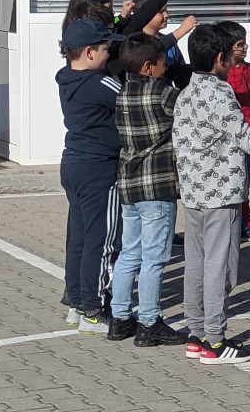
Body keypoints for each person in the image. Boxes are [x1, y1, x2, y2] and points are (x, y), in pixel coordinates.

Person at [176, 25, 250, 364]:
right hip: (221, 195)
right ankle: (214, 339)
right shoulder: (219, 93)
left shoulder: (186, 93)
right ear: (220, 58)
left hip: (194, 193)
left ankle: (196, 333)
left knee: (197, 264)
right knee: (221, 267)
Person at [106, 33, 186, 348]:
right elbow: (189, 111)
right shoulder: (163, 93)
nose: (167, 68)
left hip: (129, 183)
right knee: (155, 257)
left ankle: (120, 317)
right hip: (157, 184)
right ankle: (150, 322)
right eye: (163, 63)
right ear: (149, 66)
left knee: (129, 252)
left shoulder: (122, 92)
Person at [56, 18, 126, 334]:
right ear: (88, 52)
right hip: (100, 169)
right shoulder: (100, 83)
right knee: (102, 241)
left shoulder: (66, 78)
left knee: (81, 239)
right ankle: (93, 310)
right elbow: (130, 101)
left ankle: (77, 302)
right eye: (106, 49)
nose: (109, 56)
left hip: (73, 163)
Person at [218, 20, 250, 243]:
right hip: (229, 138)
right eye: (240, 44)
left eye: (245, 43)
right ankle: (230, 226)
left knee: (244, 181)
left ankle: (245, 225)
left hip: (247, 135)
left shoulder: (249, 68)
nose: (245, 47)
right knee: (230, 182)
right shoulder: (223, 72)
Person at [129, 0, 195, 88]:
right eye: (161, 11)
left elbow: (181, 74)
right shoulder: (132, 42)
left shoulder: (171, 44)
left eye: (166, 10)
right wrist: (179, 32)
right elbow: (149, 49)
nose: (166, 15)